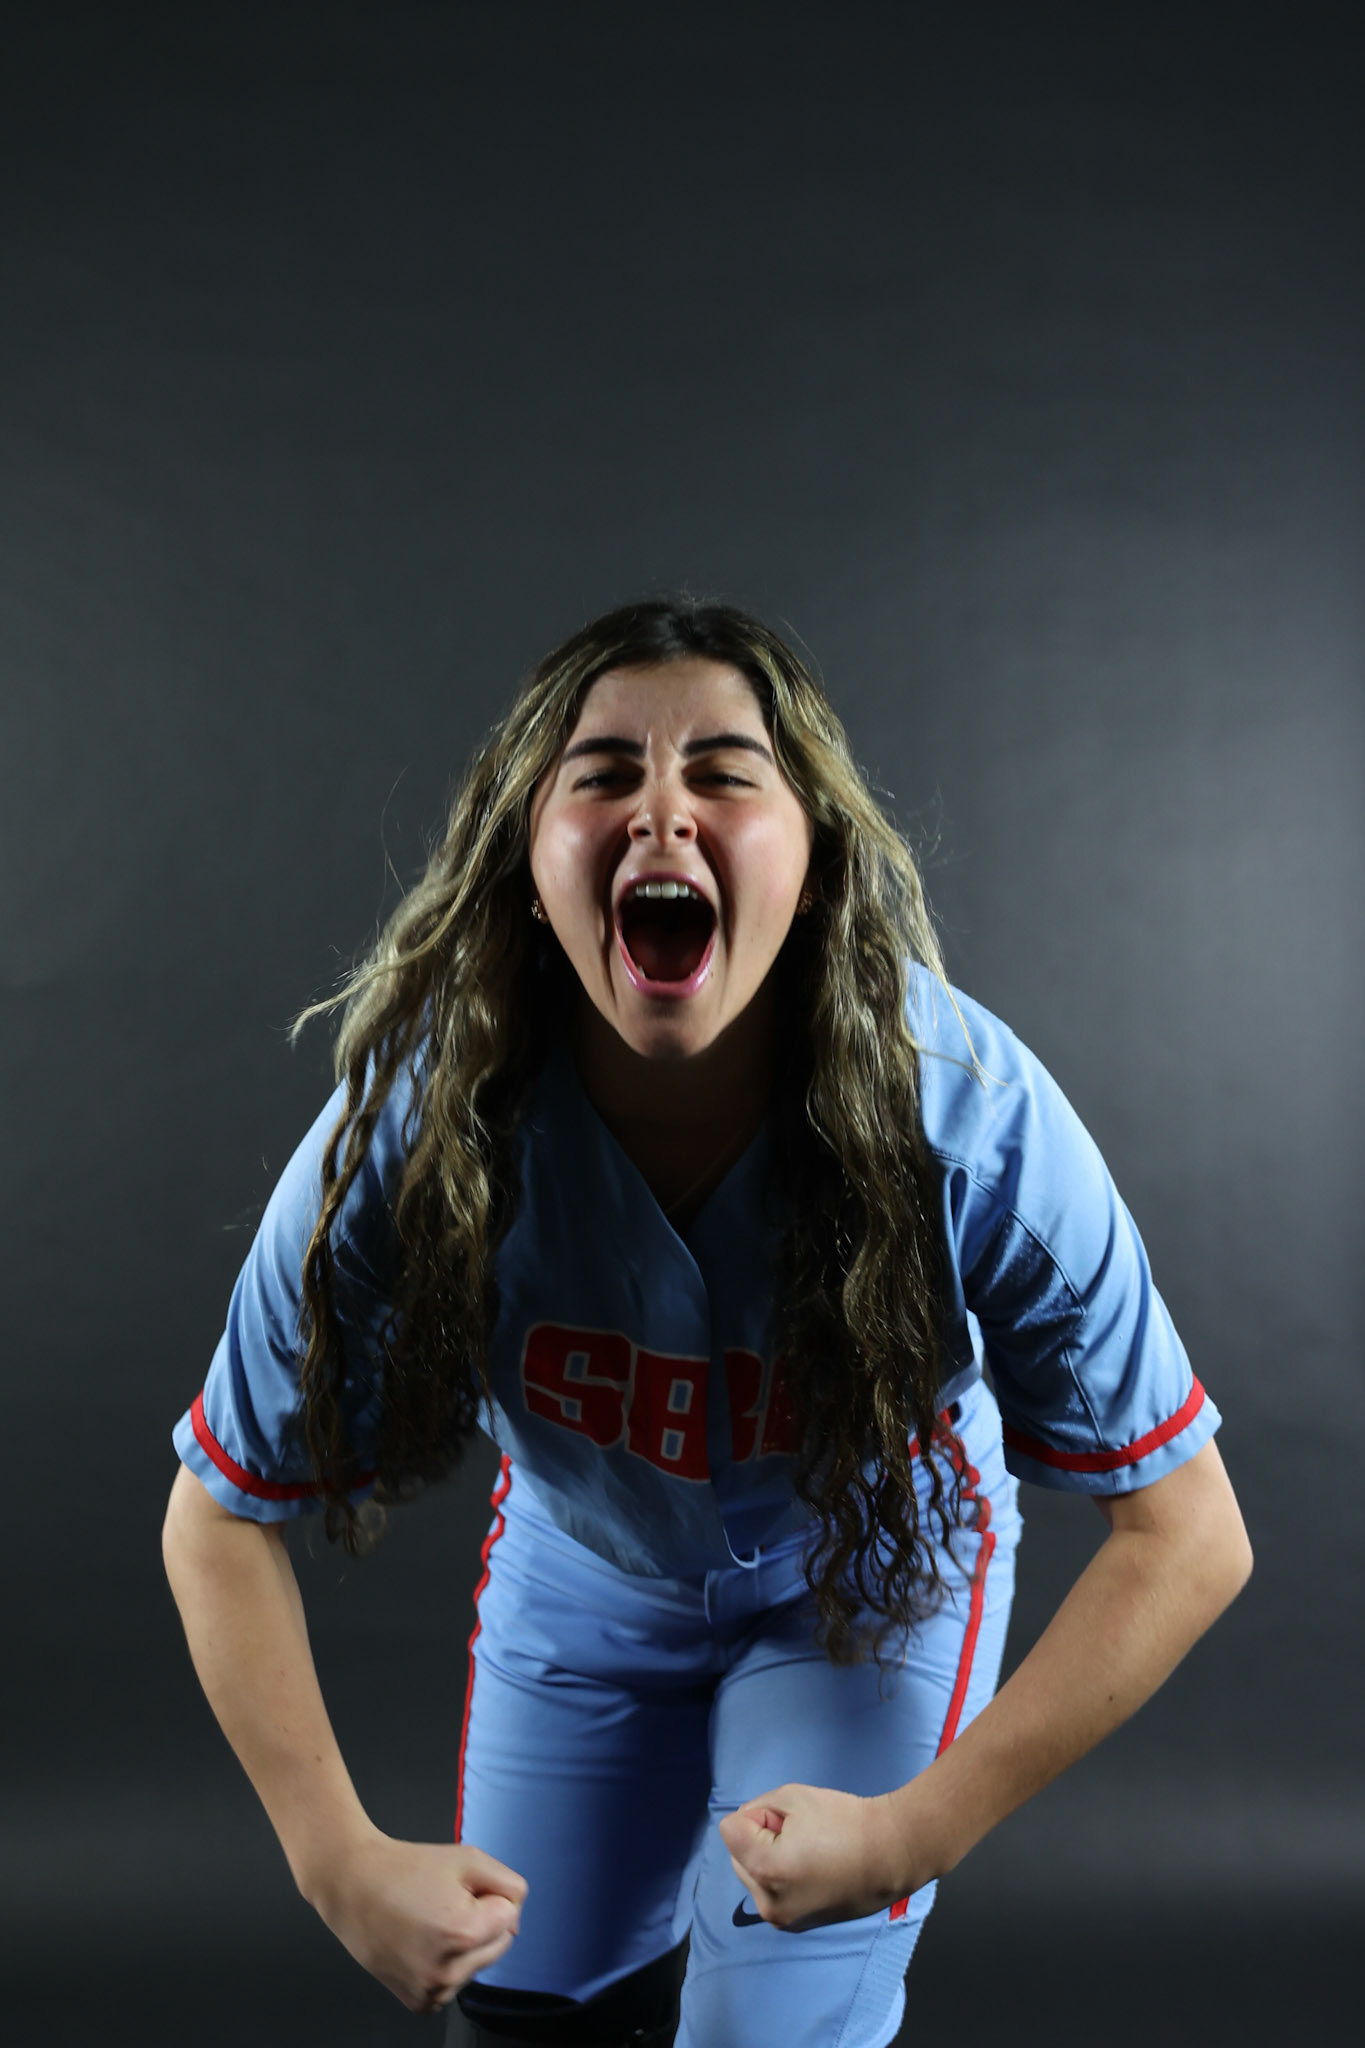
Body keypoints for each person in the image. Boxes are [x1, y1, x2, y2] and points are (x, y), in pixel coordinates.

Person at [161, 595, 1252, 2048]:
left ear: (812, 861)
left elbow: (1190, 1533)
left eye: (724, 773)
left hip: (872, 1582)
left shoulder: (966, 1116)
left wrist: (914, 1830)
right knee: (521, 2014)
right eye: (602, 773)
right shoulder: (424, 1125)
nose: (661, 812)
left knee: (764, 2036)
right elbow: (213, 1517)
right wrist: (335, 1860)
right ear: (526, 860)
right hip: (588, 1571)